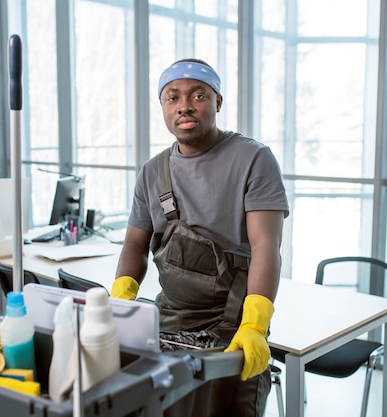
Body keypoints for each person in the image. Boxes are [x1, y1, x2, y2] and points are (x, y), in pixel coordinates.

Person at [111, 58, 289, 417]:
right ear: (162, 107)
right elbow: (134, 244)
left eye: (198, 95)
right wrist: (119, 305)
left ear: (218, 101)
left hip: (233, 318)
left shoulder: (253, 159)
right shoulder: (152, 172)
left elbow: (266, 246)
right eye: (172, 98)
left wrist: (255, 324)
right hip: (171, 315)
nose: (184, 106)